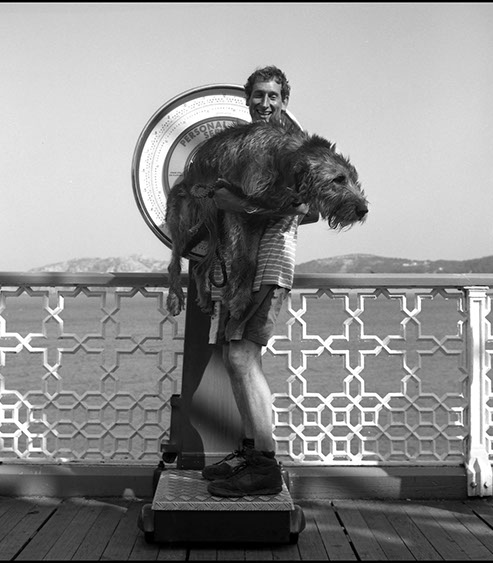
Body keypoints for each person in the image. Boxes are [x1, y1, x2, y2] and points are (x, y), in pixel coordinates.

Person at [201, 66, 319, 497]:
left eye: (273, 96)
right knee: (239, 362)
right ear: (247, 99)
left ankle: (264, 467)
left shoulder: (295, 148)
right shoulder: (246, 145)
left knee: (240, 360)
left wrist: (248, 205)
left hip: (271, 262)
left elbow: (316, 207)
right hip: (237, 269)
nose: (265, 104)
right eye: (258, 95)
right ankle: (250, 452)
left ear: (284, 101)